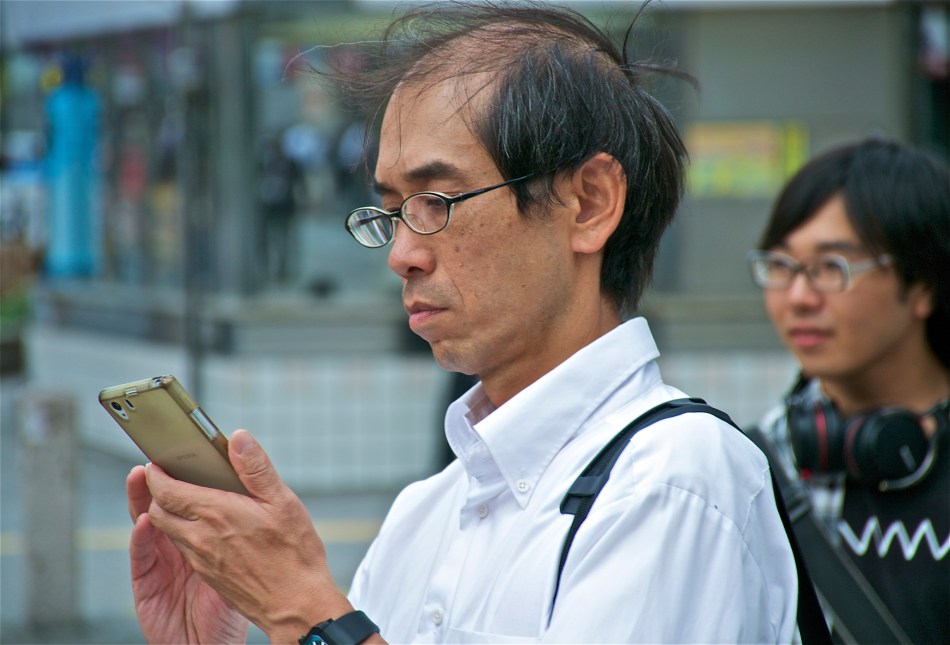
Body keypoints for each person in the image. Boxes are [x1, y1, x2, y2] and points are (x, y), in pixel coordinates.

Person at [126, 2, 799, 643]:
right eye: (391, 211)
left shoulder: (674, 480)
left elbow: (314, 621)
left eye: (438, 200)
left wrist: (304, 608)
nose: (402, 254)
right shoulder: (427, 509)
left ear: (590, 203)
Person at [747, 137, 949, 644]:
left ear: (921, 284)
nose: (798, 297)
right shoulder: (756, 464)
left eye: (830, 268)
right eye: (781, 267)